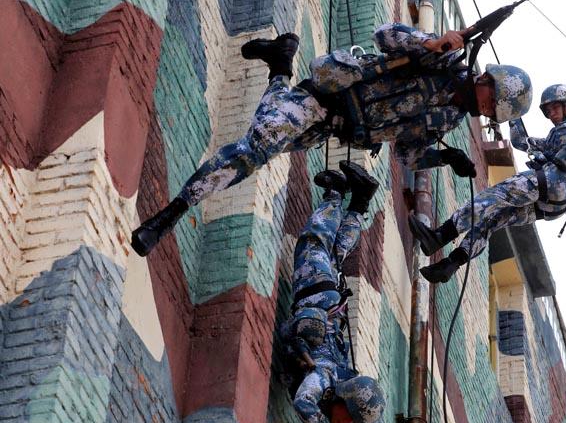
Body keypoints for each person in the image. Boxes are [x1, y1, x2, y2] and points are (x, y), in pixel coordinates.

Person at [131, 24, 532, 257]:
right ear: (488, 83)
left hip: (335, 128)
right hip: (327, 96)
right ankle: (168, 217)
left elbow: (407, 153)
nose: (486, 113)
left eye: (493, 113)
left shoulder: (450, 116)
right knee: (253, 151)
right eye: (491, 103)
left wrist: (443, 160)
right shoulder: (443, 59)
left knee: (265, 135)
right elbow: (385, 35)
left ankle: (280, 63)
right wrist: (428, 43)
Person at [408, 84, 566, 283]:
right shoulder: (554, 137)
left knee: (493, 196)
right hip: (552, 205)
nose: (551, 113)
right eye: (548, 111)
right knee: (490, 221)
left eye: (555, 107)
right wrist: (514, 114)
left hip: (554, 181)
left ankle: (441, 235)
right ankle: (451, 264)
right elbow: (522, 142)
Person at [279, 160, 384, 423]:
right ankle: (336, 193)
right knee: (314, 240)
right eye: (344, 417)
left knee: (335, 251)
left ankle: (360, 201)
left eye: (345, 421)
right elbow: (304, 403)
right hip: (315, 289)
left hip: (330, 297)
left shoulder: (345, 397)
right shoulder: (325, 377)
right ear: (343, 400)